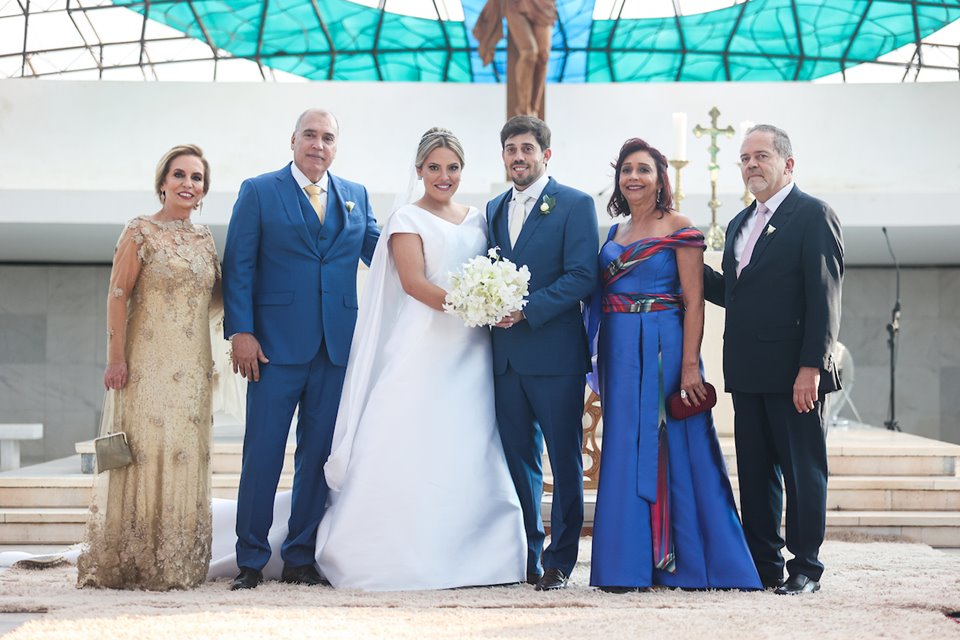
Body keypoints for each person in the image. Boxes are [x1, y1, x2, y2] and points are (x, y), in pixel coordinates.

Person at [311, 128, 526, 590]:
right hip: (422, 344)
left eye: (452, 168)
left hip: (470, 352)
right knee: (408, 432)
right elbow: (413, 283)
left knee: (468, 439)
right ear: (419, 171)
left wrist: (491, 303)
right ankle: (392, 551)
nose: (443, 176)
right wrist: (473, 306)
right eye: (434, 168)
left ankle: (480, 554)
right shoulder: (407, 219)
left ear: (462, 171)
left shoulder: (479, 219)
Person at [586, 139, 761, 592]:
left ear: (660, 178)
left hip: (664, 344)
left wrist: (689, 366)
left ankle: (689, 563)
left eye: (643, 169)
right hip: (619, 348)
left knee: (675, 444)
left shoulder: (679, 225)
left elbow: (695, 302)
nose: (633, 178)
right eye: (626, 170)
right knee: (623, 445)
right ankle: (624, 566)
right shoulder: (614, 233)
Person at [222, 108, 380, 590]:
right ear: (293, 141)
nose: (318, 144)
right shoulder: (259, 190)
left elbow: (386, 253)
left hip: (335, 349)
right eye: (310, 135)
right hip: (271, 349)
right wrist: (241, 332)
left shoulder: (355, 195)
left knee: (317, 457)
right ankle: (250, 557)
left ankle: (299, 557)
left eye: (327, 137)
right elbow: (239, 265)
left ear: (336, 146)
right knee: (263, 453)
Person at [704, 124, 844, 595]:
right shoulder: (742, 223)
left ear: (788, 163)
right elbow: (736, 294)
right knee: (757, 471)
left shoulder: (813, 215)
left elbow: (824, 299)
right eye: (744, 159)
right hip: (747, 372)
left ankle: (806, 567)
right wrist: (684, 263)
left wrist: (812, 367)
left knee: (803, 472)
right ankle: (763, 564)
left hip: (795, 374)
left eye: (760, 156)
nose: (750, 166)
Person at [77, 144, 220, 590]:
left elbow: (215, 302)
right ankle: (133, 559)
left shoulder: (206, 239)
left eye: (196, 178)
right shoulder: (138, 232)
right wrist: (115, 358)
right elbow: (117, 296)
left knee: (184, 454)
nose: (187, 184)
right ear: (163, 182)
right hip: (146, 367)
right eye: (180, 175)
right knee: (143, 453)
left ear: (203, 190)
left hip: (194, 369)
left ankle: (176, 562)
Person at [486, 115, 599, 591]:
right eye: (511, 149)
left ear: (545, 155)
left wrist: (525, 310)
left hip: (555, 356)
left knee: (564, 459)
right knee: (519, 461)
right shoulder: (492, 208)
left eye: (527, 149)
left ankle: (561, 560)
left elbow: (581, 276)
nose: (518, 157)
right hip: (504, 359)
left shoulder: (574, 204)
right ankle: (528, 553)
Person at [474, 0, 556, 118]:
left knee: (543, 56)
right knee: (529, 52)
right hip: (515, 4)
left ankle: (534, 109)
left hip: (543, 6)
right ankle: (524, 109)